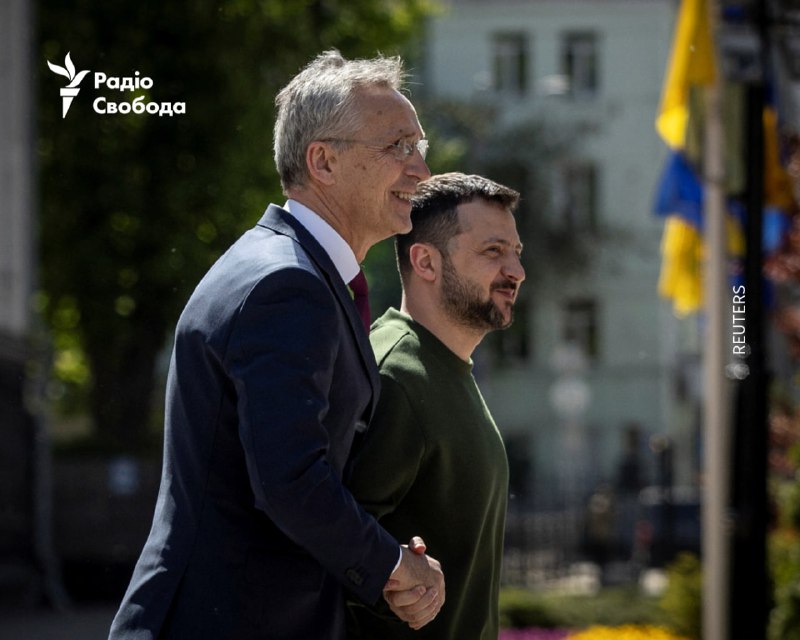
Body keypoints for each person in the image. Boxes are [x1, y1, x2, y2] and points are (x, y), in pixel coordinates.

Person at [109, 50, 445, 640]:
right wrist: (393, 565)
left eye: (421, 147)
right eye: (398, 147)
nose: (421, 170)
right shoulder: (287, 285)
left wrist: (387, 552)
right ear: (323, 161)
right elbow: (290, 482)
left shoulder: (286, 268)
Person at [346, 172, 525, 639]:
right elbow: (328, 549)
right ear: (425, 261)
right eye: (493, 251)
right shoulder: (396, 375)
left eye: (516, 253)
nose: (516, 272)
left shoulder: (445, 367)